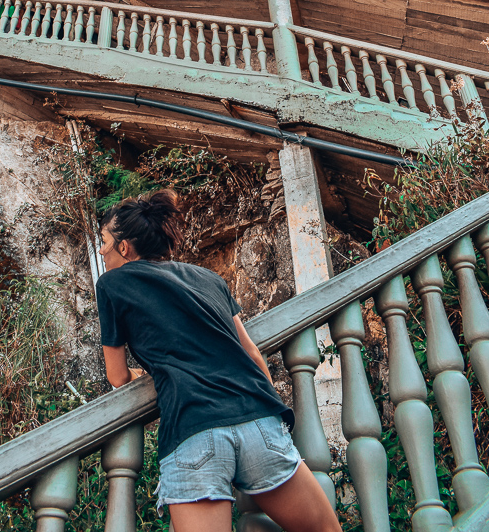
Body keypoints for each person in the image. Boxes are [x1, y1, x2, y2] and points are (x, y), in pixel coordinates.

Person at [96, 189, 342, 532]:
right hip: (258, 421)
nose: (103, 252)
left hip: (194, 427)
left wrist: (148, 372)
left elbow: (118, 376)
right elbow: (252, 353)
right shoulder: (209, 278)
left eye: (105, 243)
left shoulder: (111, 283)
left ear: (124, 247)